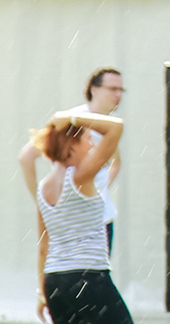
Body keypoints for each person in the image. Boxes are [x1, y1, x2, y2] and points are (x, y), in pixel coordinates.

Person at [30, 106, 147, 324]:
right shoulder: (79, 177)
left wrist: (42, 293)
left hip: (56, 280)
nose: (91, 144)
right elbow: (117, 128)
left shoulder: (43, 188)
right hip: (88, 277)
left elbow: (43, 244)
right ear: (71, 146)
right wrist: (74, 117)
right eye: (84, 139)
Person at [19, 67, 126, 254]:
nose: (118, 95)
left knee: (97, 273)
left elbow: (116, 162)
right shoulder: (69, 121)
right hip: (73, 221)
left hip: (101, 219)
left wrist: (99, 187)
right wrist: (41, 202)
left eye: (121, 90)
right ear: (94, 89)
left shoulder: (109, 123)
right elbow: (26, 157)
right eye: (112, 89)